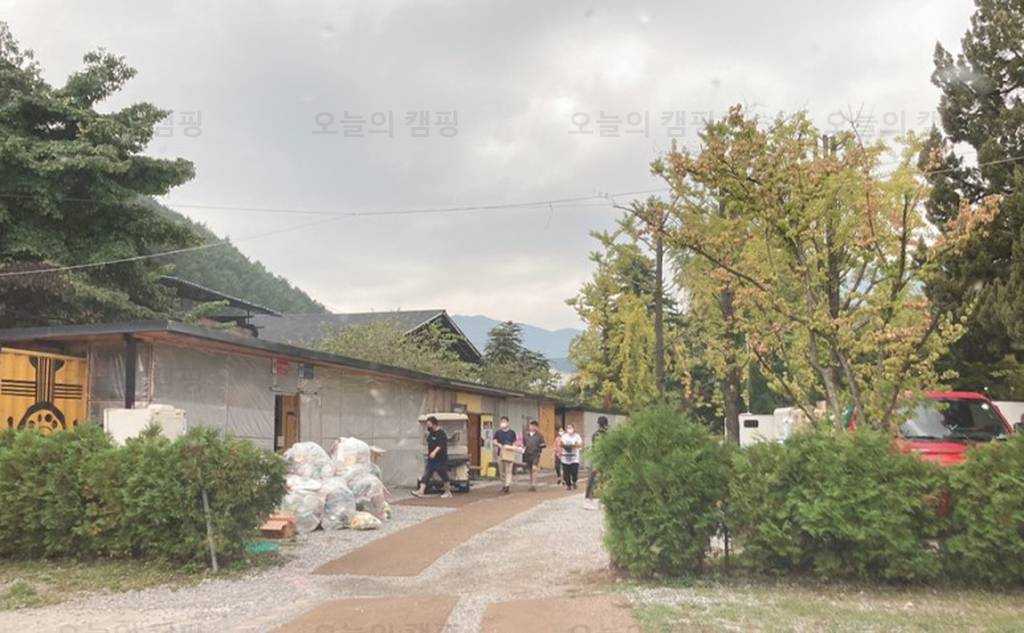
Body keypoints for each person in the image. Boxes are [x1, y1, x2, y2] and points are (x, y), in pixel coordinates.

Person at [411, 416, 452, 498]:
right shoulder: (430, 433)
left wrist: (434, 452)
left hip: (440, 458)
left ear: (434, 424)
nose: (428, 426)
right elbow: (429, 441)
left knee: (443, 473)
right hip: (432, 459)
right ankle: (421, 491)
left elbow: (441, 445)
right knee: (427, 473)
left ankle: (448, 492)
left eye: (429, 424)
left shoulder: (441, 433)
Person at [584, 416, 609, 502]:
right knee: (604, 477)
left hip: (596, 458)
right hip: (605, 458)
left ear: (598, 424)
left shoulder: (595, 434)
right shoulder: (608, 435)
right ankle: (601, 495)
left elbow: (595, 447)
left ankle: (589, 495)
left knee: (593, 477)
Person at [493, 416, 518, 494]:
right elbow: (494, 441)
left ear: (508, 423)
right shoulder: (498, 432)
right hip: (500, 453)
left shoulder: (512, 432)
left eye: (504, 421)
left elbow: (514, 442)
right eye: (502, 421)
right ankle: (503, 485)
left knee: (508, 470)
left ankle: (507, 485)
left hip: (509, 453)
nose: (503, 423)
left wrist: (512, 448)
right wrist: (499, 445)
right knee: (502, 471)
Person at [522, 419, 547, 491]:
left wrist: (541, 446)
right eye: (531, 425)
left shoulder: (539, 435)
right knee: (530, 470)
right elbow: (523, 444)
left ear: (536, 427)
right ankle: (530, 484)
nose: (532, 427)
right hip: (527, 454)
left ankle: (534, 484)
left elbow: (543, 444)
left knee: (534, 468)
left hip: (536, 454)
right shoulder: (526, 435)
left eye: (534, 426)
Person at [559, 424, 583, 490]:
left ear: (574, 428)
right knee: (566, 473)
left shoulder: (577, 436)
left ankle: (574, 481)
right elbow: (561, 443)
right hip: (565, 458)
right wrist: (566, 446)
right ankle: (568, 485)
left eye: (571, 428)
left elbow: (580, 444)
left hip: (574, 458)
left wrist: (574, 446)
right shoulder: (564, 436)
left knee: (574, 471)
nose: (569, 429)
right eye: (568, 428)